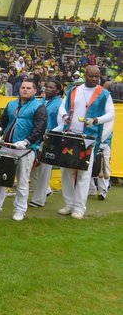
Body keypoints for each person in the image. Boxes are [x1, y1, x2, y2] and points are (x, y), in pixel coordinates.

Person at [0, 80, 47, 221]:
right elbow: (2, 121)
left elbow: (40, 128)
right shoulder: (11, 104)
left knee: (22, 181)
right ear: (19, 89)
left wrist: (28, 141)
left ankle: (20, 210)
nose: (25, 90)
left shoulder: (39, 107)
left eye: (28, 88)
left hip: (25, 149)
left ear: (35, 91)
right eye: (23, 87)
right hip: (7, 146)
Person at [54, 65, 115, 219]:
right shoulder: (74, 90)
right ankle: (68, 204)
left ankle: (79, 208)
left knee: (84, 174)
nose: (94, 79)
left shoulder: (104, 94)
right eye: (91, 76)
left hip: (88, 139)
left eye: (97, 76)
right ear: (85, 75)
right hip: (70, 135)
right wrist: (64, 117)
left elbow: (111, 114)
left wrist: (95, 120)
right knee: (66, 171)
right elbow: (62, 108)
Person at [29, 80, 63, 207]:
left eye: (51, 87)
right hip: (36, 138)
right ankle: (46, 191)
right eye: (46, 86)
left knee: (44, 170)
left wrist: (51, 133)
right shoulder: (40, 101)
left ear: (58, 91)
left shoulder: (60, 104)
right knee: (31, 167)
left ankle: (38, 200)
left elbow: (63, 124)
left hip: (51, 140)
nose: (47, 89)